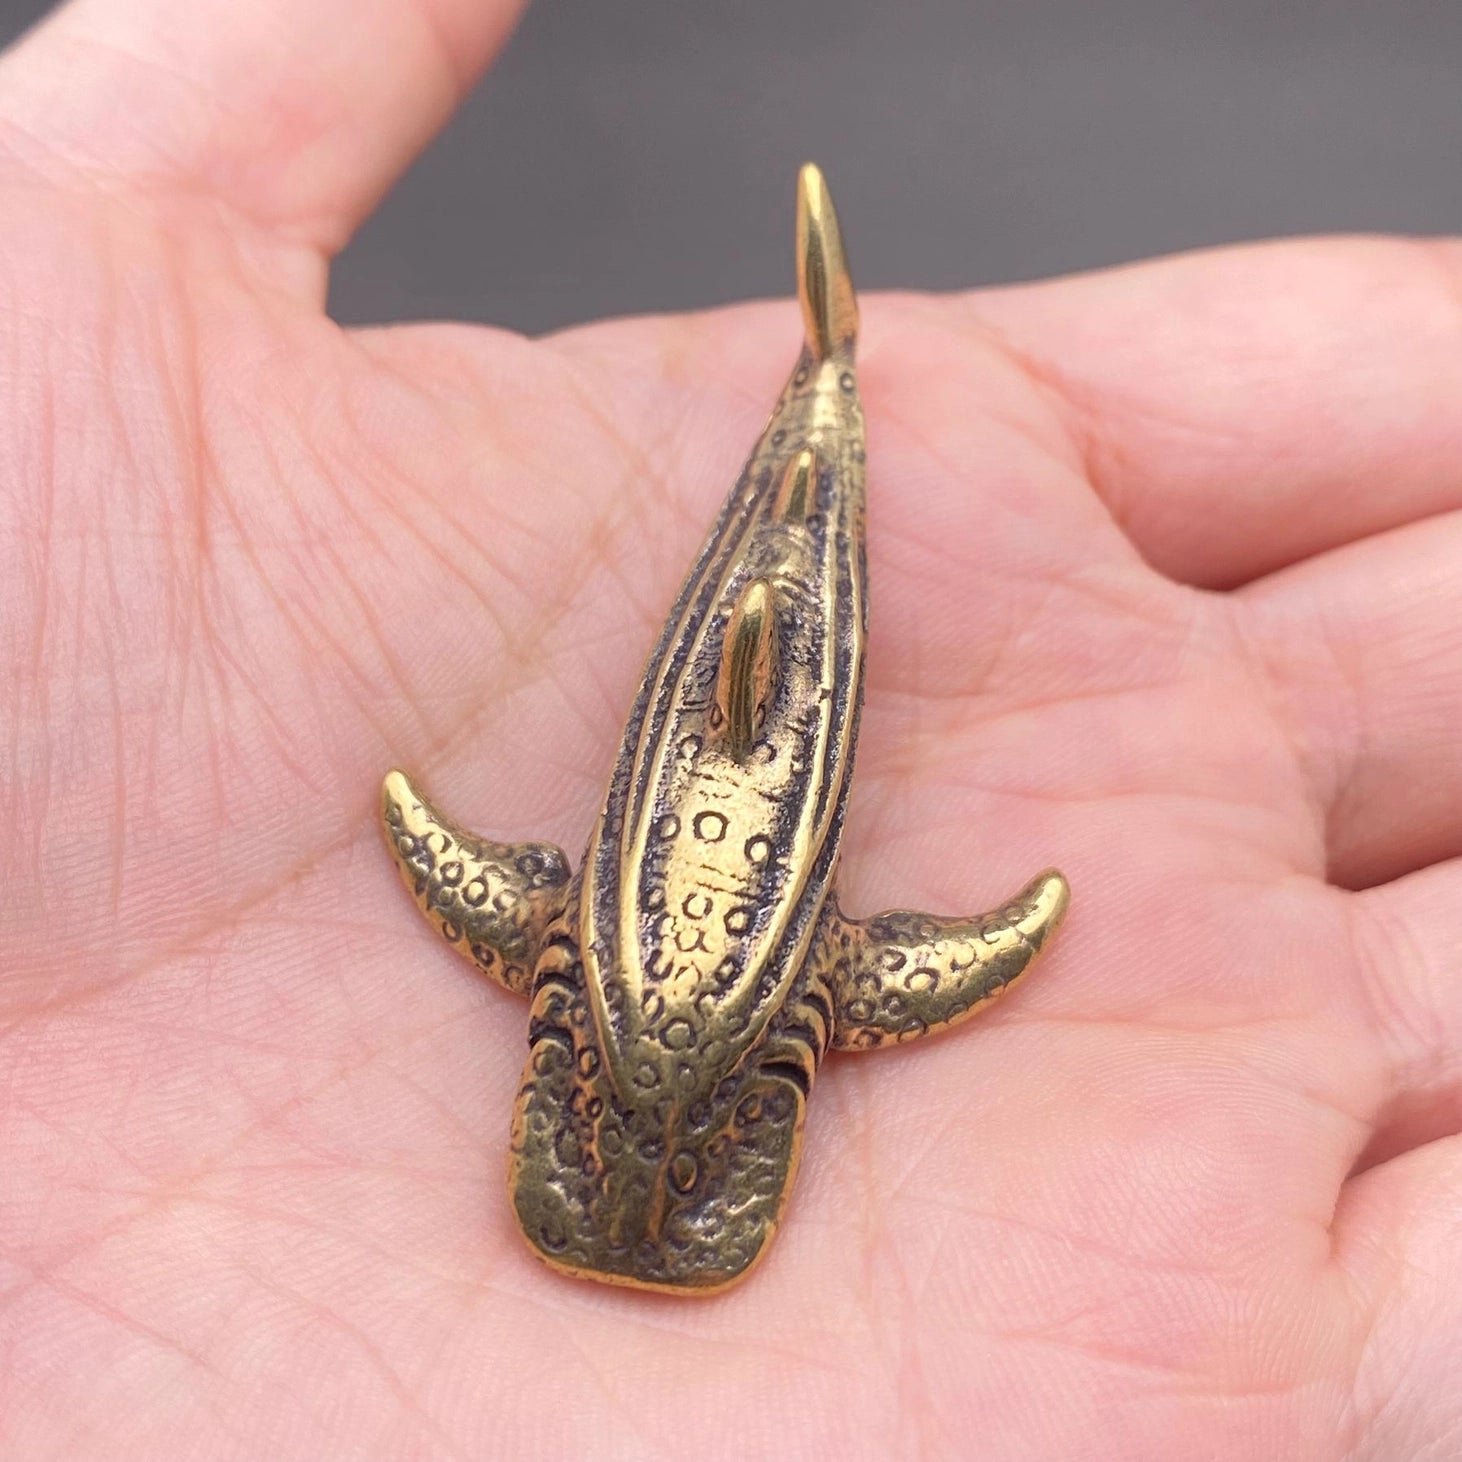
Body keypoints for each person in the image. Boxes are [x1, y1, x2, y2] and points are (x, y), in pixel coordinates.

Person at [0, 2, 1457, 1457]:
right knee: (766, 619)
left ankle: (829, 366)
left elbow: (528, 897)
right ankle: (826, 363)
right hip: (720, 796)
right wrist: (1006, 935)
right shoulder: (664, 974)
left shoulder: (668, 970)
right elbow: (897, 964)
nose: (646, 1158)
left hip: (737, 754)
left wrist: (425, 836)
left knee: (772, 602)